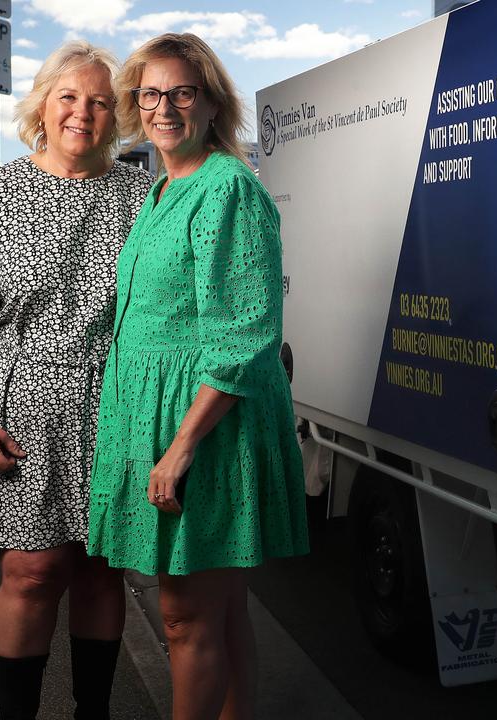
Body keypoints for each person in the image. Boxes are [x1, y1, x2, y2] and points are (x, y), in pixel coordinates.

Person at [0, 41, 152, 720]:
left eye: (101, 101)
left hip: (116, 407)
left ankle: (93, 713)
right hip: (22, 410)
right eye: (69, 97)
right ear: (43, 107)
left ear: (116, 118)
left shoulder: (143, 196)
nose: (84, 112)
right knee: (31, 570)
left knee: (101, 569)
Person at [88, 33, 308, 719]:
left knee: (185, 616)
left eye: (182, 92)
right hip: (171, 413)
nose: (163, 107)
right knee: (223, 609)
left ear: (212, 102)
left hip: (206, 426)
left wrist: (180, 446)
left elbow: (244, 332)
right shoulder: (162, 187)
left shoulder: (227, 189)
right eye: (150, 93)